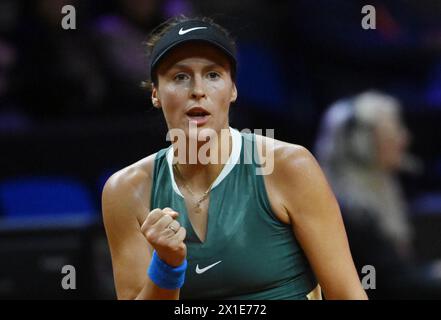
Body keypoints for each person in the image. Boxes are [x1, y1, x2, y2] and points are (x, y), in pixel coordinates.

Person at [102, 15, 367, 300]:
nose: (198, 91)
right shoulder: (126, 191)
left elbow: (348, 295)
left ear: (233, 90)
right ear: (155, 93)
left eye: (213, 75)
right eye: (180, 76)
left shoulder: (289, 167)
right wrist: (167, 267)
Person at [314, 91, 441, 299]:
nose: (404, 138)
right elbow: (389, 284)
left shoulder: (384, 191)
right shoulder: (349, 210)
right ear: (363, 143)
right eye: (394, 130)